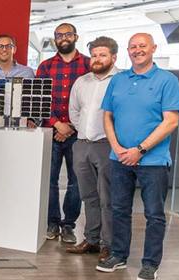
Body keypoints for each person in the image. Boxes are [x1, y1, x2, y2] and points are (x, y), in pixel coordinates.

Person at [96, 33, 179, 280]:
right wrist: (117, 147)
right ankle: (118, 255)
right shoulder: (119, 80)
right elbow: (107, 116)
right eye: (133, 47)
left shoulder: (167, 80)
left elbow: (171, 121)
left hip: (153, 162)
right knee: (119, 209)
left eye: (142, 46)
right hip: (119, 158)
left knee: (154, 214)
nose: (137, 50)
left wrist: (140, 150)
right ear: (127, 51)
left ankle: (150, 264)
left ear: (153, 48)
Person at [65, 36, 119, 263]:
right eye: (94, 55)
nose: (97, 59)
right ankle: (92, 239)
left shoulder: (121, 80)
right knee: (88, 196)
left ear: (113, 57)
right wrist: (82, 133)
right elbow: (74, 111)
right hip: (82, 145)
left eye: (102, 55)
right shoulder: (82, 82)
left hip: (107, 146)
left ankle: (109, 245)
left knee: (108, 198)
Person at [36, 23, 89, 244]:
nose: (63, 38)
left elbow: (92, 102)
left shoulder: (88, 64)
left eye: (67, 34)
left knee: (77, 182)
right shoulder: (46, 66)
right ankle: (52, 222)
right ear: (55, 39)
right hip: (52, 131)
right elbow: (39, 99)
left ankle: (69, 225)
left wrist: (71, 127)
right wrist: (57, 124)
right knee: (49, 179)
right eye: (59, 35)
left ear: (75, 36)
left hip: (79, 133)